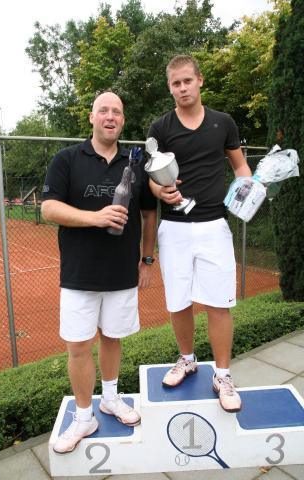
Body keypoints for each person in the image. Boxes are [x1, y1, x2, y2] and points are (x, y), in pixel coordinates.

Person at [42, 91, 157, 453]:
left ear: (122, 121)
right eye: (103, 111)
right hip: (79, 273)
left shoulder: (136, 164)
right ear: (91, 118)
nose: (110, 117)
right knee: (78, 346)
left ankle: (109, 398)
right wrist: (95, 217)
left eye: (117, 112)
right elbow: (48, 208)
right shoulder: (67, 159)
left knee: (113, 338)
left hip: (123, 272)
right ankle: (83, 416)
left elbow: (150, 214)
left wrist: (148, 260)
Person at [147, 55, 252, 413]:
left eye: (186, 81)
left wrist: (249, 188)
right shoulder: (159, 128)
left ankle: (222, 375)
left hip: (213, 226)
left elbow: (239, 165)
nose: (182, 88)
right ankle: (187, 359)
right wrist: (160, 191)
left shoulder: (223, 123)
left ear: (199, 80)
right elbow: (151, 176)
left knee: (218, 302)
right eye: (175, 84)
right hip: (173, 228)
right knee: (178, 301)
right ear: (170, 87)